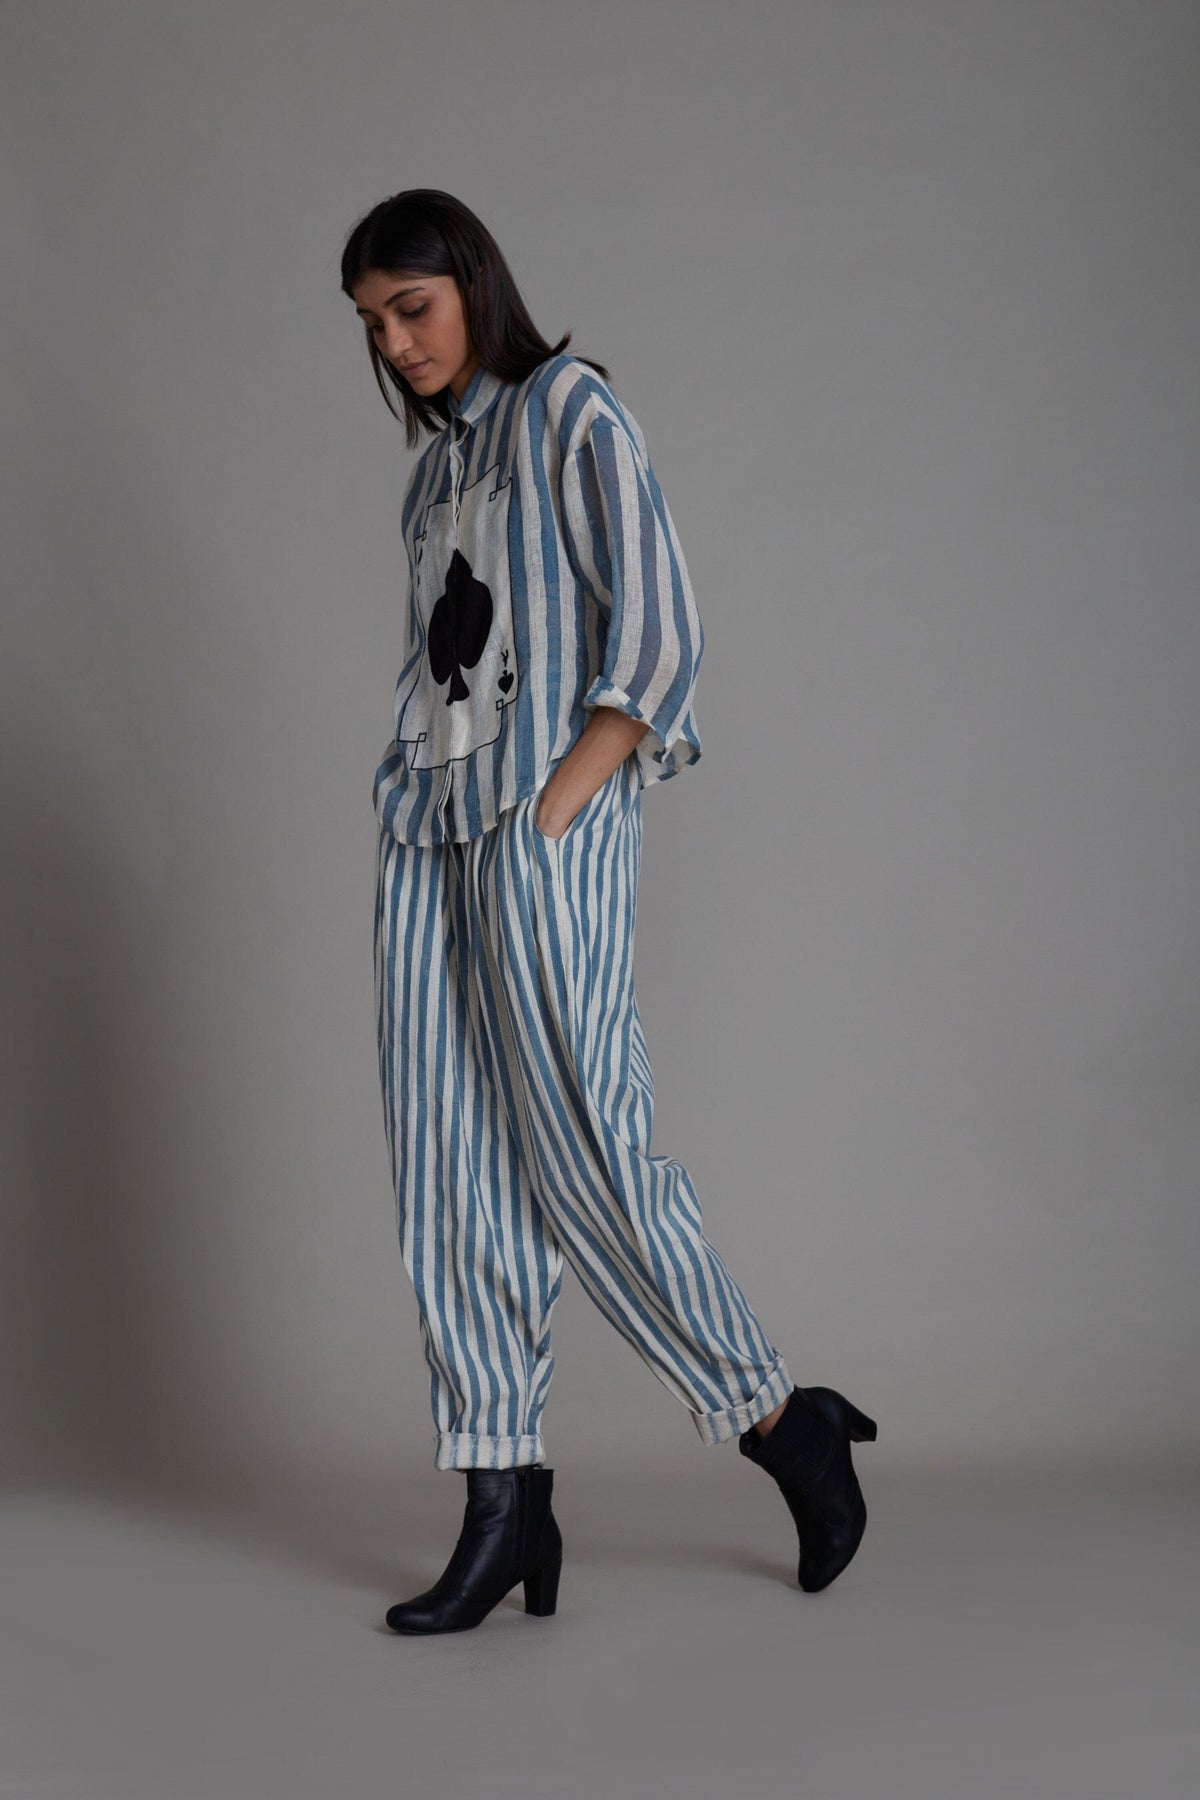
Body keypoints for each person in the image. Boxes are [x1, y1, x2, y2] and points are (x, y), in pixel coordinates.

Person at [341, 189, 877, 1635]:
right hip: (428, 838)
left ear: (472, 283)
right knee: (450, 1175)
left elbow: (658, 631)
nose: (396, 344)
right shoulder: (431, 481)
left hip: (540, 823)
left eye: (412, 308)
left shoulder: (570, 410)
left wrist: (559, 808)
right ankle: (504, 1504)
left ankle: (784, 1420)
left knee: (587, 1150)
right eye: (373, 324)